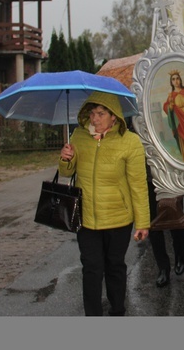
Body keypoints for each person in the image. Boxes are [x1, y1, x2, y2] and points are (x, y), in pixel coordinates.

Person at [58, 91, 150, 316]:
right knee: (91, 269)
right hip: (86, 218)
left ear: (114, 117)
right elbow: (65, 171)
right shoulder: (78, 136)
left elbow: (138, 184)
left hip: (118, 219)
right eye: (92, 113)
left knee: (115, 267)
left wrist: (143, 223)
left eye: (100, 113)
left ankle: (117, 311)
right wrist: (65, 157)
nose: (95, 118)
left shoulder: (130, 142)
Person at [146, 164, 184, 287]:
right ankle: (163, 267)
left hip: (171, 172)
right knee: (153, 222)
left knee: (175, 216)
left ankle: (180, 254)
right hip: (148, 175)